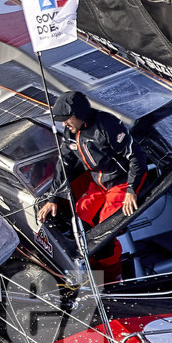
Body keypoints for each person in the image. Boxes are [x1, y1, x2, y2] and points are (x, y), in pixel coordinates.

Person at [39, 90, 143, 283]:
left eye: (67, 119)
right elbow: (65, 164)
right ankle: (92, 266)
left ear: (79, 114)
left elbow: (136, 156)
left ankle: (112, 276)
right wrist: (52, 197)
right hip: (99, 182)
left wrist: (131, 189)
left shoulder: (107, 125)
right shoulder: (70, 133)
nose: (64, 124)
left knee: (107, 230)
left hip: (121, 181)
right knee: (81, 214)